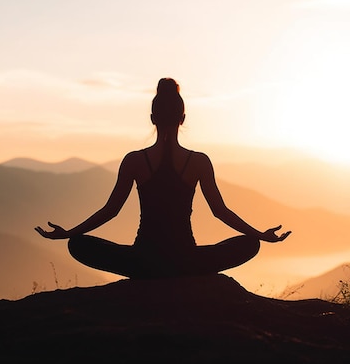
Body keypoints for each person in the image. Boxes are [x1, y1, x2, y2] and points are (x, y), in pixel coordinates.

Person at [35, 78, 291, 279]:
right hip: (186, 262)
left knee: (78, 245)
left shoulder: (134, 161)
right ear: (183, 119)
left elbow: (110, 211)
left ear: (152, 119)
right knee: (250, 245)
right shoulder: (199, 161)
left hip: (143, 262)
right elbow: (220, 212)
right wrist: (260, 235)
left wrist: (69, 233)